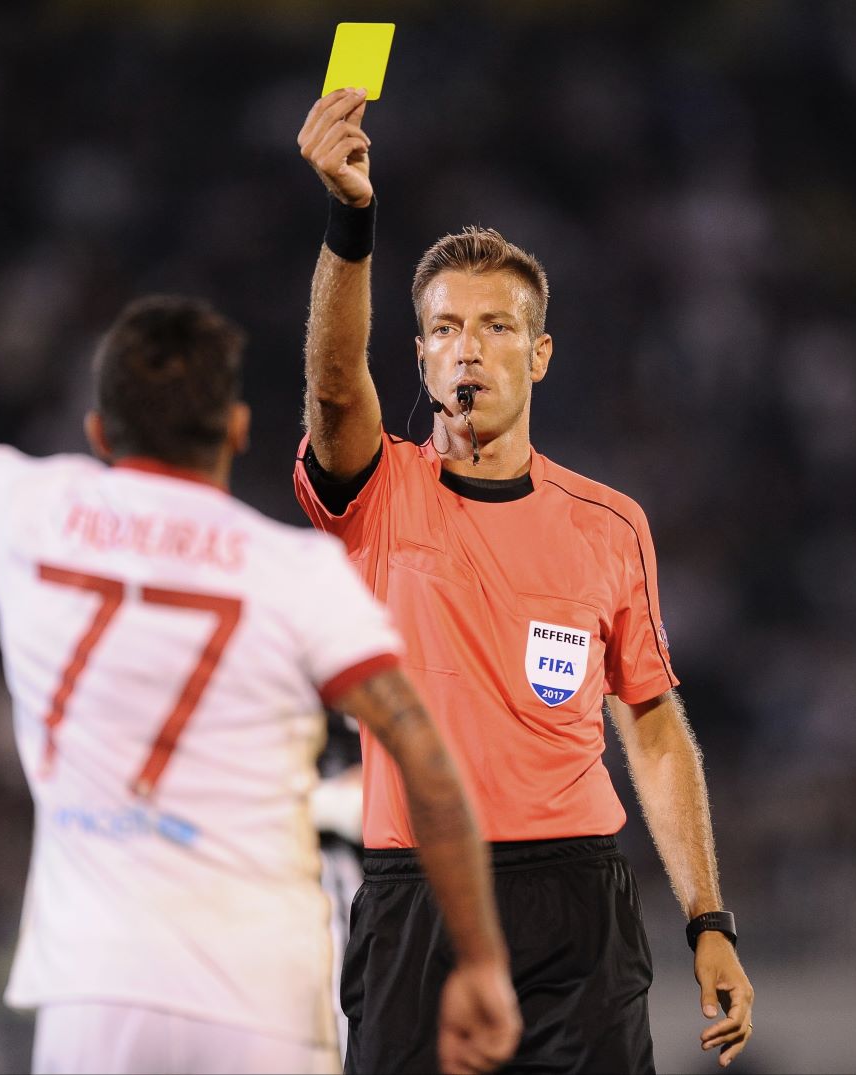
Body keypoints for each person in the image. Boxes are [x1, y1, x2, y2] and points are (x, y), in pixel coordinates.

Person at [0, 156, 524, 1075]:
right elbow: (423, 755)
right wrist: (484, 961)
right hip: (258, 996)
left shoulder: (30, 515)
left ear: (100, 433)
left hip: (94, 992)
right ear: (236, 430)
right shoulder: (295, 572)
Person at [293, 88, 756, 1073]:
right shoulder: (380, 493)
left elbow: (654, 725)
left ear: (539, 356)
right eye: (448, 327)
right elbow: (335, 388)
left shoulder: (608, 522)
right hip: (417, 890)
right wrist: (350, 219)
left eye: (499, 326)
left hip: (575, 898)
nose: (472, 344)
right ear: (418, 356)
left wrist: (708, 916)